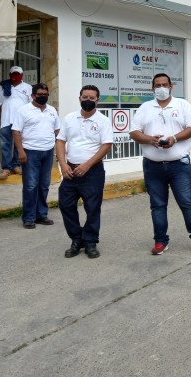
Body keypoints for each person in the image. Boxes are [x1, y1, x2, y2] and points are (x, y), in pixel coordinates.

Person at [130, 73, 191, 255]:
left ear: (171, 86)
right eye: (157, 85)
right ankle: (160, 241)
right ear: (152, 88)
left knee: (187, 202)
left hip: (178, 165)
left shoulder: (182, 105)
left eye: (165, 84)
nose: (161, 88)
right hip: (152, 166)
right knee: (157, 205)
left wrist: (174, 138)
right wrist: (149, 139)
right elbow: (133, 132)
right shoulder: (145, 108)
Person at [56, 85, 113, 259]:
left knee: (93, 208)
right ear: (79, 98)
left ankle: (90, 241)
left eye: (92, 98)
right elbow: (60, 141)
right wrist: (63, 164)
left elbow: (107, 146)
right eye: (85, 97)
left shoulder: (103, 121)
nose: (88, 100)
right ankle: (76, 239)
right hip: (70, 171)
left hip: (92, 172)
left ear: (98, 100)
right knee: (66, 204)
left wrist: (87, 165)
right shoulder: (69, 118)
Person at [13, 83, 60, 229]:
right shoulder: (23, 110)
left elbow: (57, 130)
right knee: (30, 186)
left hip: (48, 151)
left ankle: (41, 215)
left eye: (46, 94)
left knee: (44, 185)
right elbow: (16, 132)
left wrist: (59, 150)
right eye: (40, 94)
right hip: (30, 152)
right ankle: (29, 217)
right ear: (33, 96)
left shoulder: (52, 110)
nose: (43, 97)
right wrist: (20, 151)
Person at [0, 66, 31, 179]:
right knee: (6, 144)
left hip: (22, 121)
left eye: (17, 74)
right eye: (13, 74)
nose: (15, 76)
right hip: (6, 120)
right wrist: (6, 113)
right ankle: (6, 168)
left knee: (19, 144)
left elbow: (31, 105)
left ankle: (16, 165)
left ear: (22, 74)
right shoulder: (3, 86)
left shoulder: (28, 87)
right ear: (10, 75)